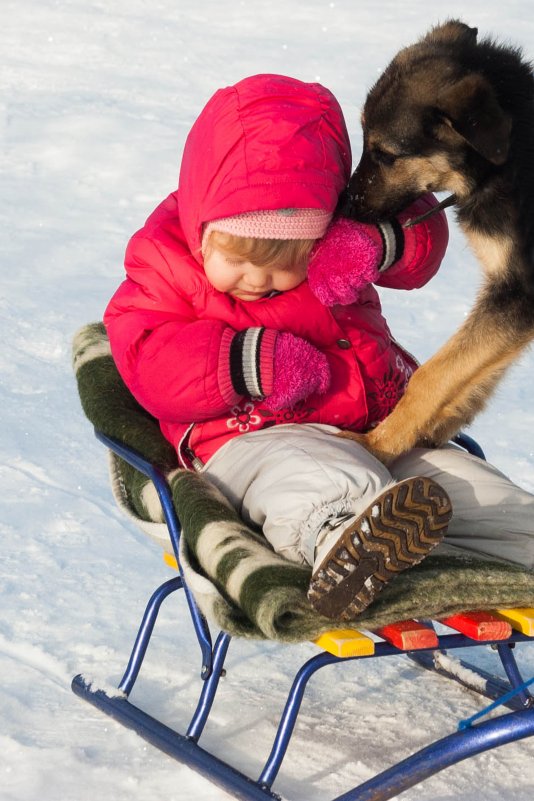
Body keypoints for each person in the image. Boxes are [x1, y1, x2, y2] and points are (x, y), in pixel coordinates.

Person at [104, 74, 534, 621]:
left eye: (285, 261)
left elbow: (422, 228)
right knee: (320, 480)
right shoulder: (163, 264)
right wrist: (249, 365)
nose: (257, 279)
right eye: (238, 258)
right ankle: (342, 547)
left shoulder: (335, 239)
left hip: (380, 432)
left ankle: (519, 541)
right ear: (201, 225)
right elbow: (150, 361)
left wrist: (372, 244)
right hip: (254, 441)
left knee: (475, 491)